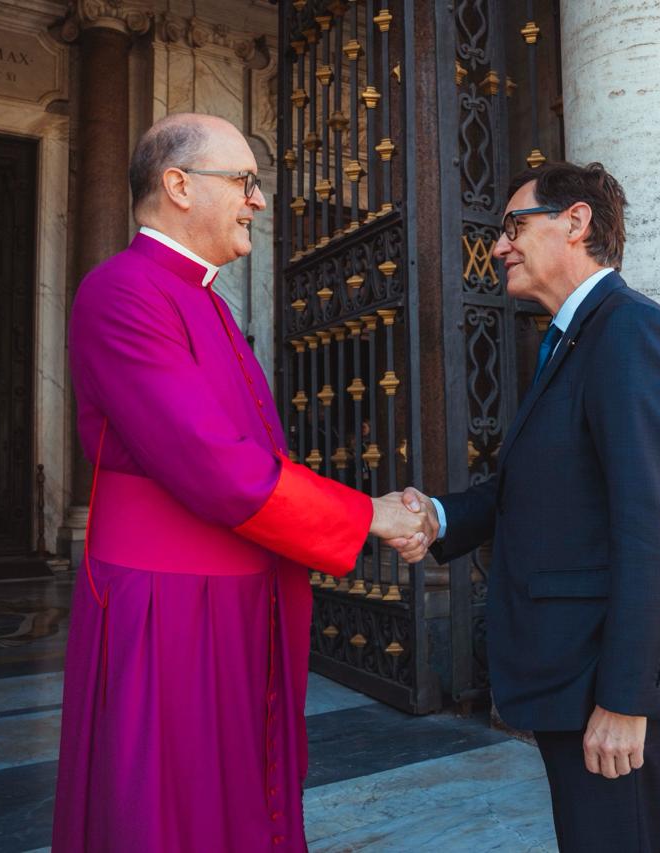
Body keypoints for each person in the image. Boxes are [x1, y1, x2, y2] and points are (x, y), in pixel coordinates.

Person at [52, 113, 427, 852]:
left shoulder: (208, 301)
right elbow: (212, 461)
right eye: (244, 181)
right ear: (179, 185)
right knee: (172, 805)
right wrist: (367, 515)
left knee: (238, 797)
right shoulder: (123, 291)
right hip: (168, 605)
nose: (258, 199)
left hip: (233, 593)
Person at [391, 162, 660, 852]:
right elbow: (534, 492)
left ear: (576, 222)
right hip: (574, 671)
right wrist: (437, 517)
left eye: (513, 226)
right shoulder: (571, 337)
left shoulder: (630, 330)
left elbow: (656, 526)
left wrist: (626, 698)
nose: (499, 246)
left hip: (607, 682)